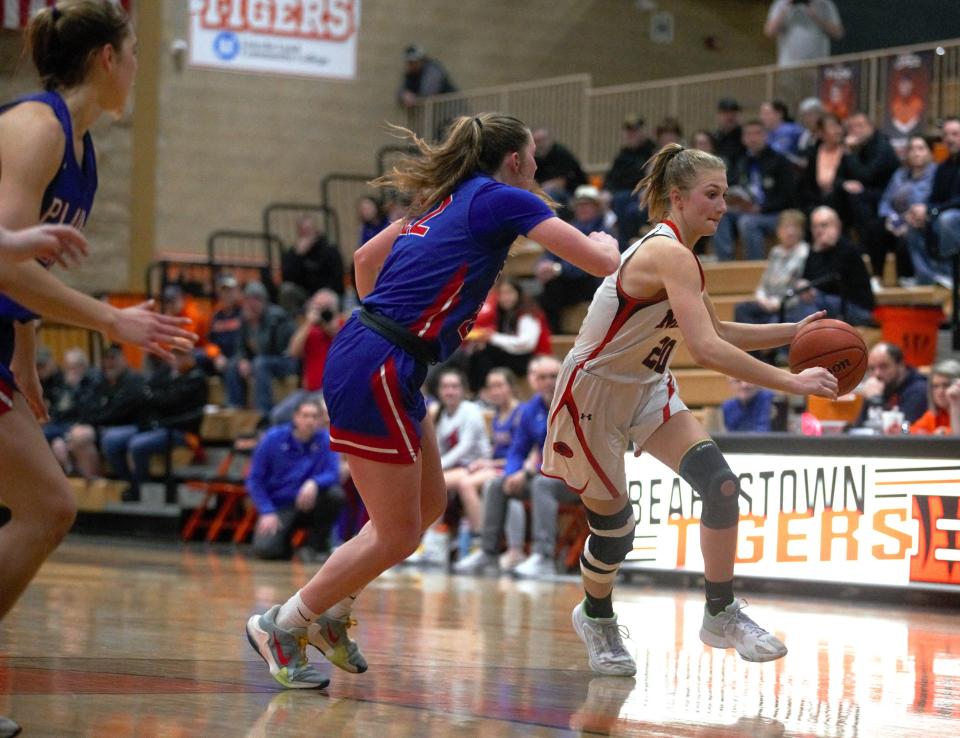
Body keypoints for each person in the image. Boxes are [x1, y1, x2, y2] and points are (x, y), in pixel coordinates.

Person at [245, 113, 619, 690]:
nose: (539, 168)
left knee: (425, 509)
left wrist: (385, 321)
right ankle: (283, 624)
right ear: (515, 161)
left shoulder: (444, 200)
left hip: (384, 354)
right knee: (396, 532)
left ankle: (334, 611)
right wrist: (606, 241)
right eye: (533, 158)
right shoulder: (500, 197)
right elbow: (600, 263)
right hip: (380, 359)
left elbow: (365, 262)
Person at [539, 143, 837, 676]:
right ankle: (596, 615)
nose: (721, 205)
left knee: (720, 485)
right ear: (677, 198)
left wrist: (798, 330)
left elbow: (719, 331)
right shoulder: (667, 252)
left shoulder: (684, 258)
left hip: (648, 385)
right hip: (593, 396)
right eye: (711, 194)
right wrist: (792, 382)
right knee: (616, 532)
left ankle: (720, 612)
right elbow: (706, 350)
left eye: (725, 195)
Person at [0, 5, 197, 734]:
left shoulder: (83, 151)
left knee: (46, 509)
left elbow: (24, 270)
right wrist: (112, 319)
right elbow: (3, 260)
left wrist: (26, 360)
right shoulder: (35, 126)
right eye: (137, 52)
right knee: (48, 508)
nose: (141, 66)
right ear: (107, 59)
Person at [453, 354, 578, 579]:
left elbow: (567, 450)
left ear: (564, 377)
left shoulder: (576, 405)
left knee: (541, 484)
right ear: (534, 381)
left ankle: (544, 557)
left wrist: (529, 471)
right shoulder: (530, 410)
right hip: (545, 474)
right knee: (495, 484)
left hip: (575, 478)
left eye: (554, 376)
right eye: (543, 377)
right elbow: (518, 450)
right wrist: (512, 473)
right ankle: (487, 551)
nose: (549, 381)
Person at [100, 347, 208, 503]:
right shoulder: (165, 372)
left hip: (179, 429)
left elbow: (171, 401)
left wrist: (154, 397)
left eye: (181, 355)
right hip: (153, 424)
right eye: (174, 355)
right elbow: (146, 392)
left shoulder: (196, 377)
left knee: (137, 444)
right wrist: (155, 398)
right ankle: (129, 482)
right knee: (111, 439)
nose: (176, 359)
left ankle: (144, 491)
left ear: (190, 356)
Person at [407, 366, 491, 565]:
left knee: (437, 483)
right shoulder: (441, 415)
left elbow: (465, 447)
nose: (450, 391)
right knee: (430, 482)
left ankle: (474, 543)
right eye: (445, 387)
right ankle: (434, 540)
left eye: (454, 386)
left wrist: (437, 468)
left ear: (463, 390)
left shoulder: (471, 411)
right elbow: (438, 449)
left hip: (477, 466)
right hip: (458, 469)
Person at [247, 396, 345, 562]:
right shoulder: (272, 438)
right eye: (305, 416)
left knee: (335, 495)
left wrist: (314, 482)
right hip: (280, 505)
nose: (310, 421)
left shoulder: (326, 440)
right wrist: (266, 510)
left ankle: (316, 546)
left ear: (320, 419)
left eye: (314, 416)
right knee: (266, 550)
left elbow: (333, 473)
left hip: (310, 503)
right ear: (295, 417)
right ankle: (284, 544)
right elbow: (255, 479)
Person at [714, 120, 797, 261]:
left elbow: (788, 196)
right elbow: (733, 186)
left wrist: (761, 208)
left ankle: (754, 267)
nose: (753, 138)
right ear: (743, 139)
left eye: (757, 134)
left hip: (774, 213)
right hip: (747, 209)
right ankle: (725, 263)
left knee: (748, 223)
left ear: (766, 136)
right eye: (748, 134)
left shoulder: (780, 161)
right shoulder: (742, 161)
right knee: (718, 214)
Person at [537, 184, 610, 332]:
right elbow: (551, 250)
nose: (583, 209)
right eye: (579, 205)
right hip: (570, 281)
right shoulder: (570, 227)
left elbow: (592, 262)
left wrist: (558, 269)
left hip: (592, 280)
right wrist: (544, 264)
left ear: (596, 207)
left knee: (554, 289)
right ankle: (554, 336)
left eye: (587, 205)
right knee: (546, 292)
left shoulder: (605, 231)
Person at [790, 206, 875, 326]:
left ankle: (808, 341)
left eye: (824, 225)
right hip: (825, 302)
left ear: (837, 226)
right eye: (815, 226)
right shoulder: (814, 250)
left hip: (856, 307)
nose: (819, 230)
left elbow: (834, 281)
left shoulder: (848, 248)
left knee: (812, 302)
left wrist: (810, 288)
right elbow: (808, 278)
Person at [270, 288, 343, 426]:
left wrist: (327, 322)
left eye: (326, 307)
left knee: (322, 418)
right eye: (318, 307)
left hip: (330, 392)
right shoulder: (309, 329)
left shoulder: (342, 324)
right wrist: (308, 323)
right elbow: (293, 352)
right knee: (278, 415)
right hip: (308, 392)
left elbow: (338, 336)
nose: (322, 311)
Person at [224, 281, 297, 417]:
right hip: (264, 359)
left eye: (256, 300)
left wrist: (254, 325)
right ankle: (235, 406)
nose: (252, 304)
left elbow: (272, 348)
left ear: (264, 301)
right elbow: (239, 346)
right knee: (233, 363)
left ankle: (264, 412)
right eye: (249, 300)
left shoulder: (277, 317)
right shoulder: (245, 318)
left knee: (260, 363)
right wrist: (242, 360)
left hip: (285, 361)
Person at [464, 277, 549, 392]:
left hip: (534, 358)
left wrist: (492, 338)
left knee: (484, 356)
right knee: (478, 353)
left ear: (518, 293)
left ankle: (482, 392)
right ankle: (479, 392)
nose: (505, 298)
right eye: (501, 294)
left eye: (509, 293)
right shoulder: (504, 314)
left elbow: (526, 344)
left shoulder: (527, 313)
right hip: (515, 356)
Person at [905, 117, 960, 288]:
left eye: (955, 134)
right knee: (914, 222)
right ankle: (926, 278)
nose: (949, 139)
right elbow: (934, 198)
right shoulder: (943, 167)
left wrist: (933, 211)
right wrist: (923, 211)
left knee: (947, 219)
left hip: (953, 217)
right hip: (944, 213)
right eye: (946, 135)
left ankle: (949, 275)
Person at [733, 209, 810, 325]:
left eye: (794, 227)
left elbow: (799, 289)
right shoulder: (775, 252)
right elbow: (764, 283)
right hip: (769, 302)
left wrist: (778, 303)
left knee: (774, 323)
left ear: (801, 231)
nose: (790, 232)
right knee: (741, 308)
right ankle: (749, 342)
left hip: (789, 305)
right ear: (778, 231)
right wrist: (762, 298)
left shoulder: (804, 252)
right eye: (786, 227)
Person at [877, 135, 935, 283]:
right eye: (912, 149)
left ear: (930, 152)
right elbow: (885, 201)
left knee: (909, 232)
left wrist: (905, 219)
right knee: (875, 228)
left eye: (921, 148)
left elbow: (930, 201)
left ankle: (914, 277)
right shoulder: (899, 175)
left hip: (920, 218)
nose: (916, 153)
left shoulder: (936, 174)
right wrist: (891, 217)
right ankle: (878, 277)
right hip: (896, 220)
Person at [603, 115, 655, 249]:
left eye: (635, 131)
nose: (631, 135)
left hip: (642, 196)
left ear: (643, 131)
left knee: (625, 204)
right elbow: (611, 179)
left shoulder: (652, 152)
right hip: (621, 196)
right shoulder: (622, 155)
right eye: (629, 131)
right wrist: (606, 192)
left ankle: (624, 246)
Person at [855, 342, 928, 428]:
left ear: (900, 365)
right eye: (872, 368)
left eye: (884, 366)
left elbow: (901, 430)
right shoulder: (878, 387)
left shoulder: (919, 389)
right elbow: (860, 427)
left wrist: (876, 400)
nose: (877, 374)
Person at [764, 0, 844, 67]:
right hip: (789, 67)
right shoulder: (780, 4)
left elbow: (838, 33)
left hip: (818, 66)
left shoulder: (825, 4)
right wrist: (784, 11)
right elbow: (769, 32)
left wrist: (816, 17)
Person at [281, 215, 345, 298]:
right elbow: (287, 278)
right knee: (287, 290)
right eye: (303, 230)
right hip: (304, 294)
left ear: (315, 230)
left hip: (327, 292)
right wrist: (297, 256)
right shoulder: (294, 252)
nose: (306, 233)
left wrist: (324, 293)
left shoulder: (329, 249)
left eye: (308, 229)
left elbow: (337, 278)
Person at [532, 126, 588, 207]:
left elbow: (561, 182)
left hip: (571, 192)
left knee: (549, 196)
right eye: (536, 141)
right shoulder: (535, 156)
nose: (539, 145)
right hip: (544, 190)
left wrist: (540, 189)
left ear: (549, 140)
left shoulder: (561, 154)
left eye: (541, 140)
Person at [396, 44, 457, 109]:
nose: (410, 65)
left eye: (413, 62)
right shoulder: (411, 74)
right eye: (408, 63)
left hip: (451, 109)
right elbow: (401, 91)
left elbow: (429, 93)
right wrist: (404, 95)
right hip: (437, 113)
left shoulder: (432, 70)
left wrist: (414, 99)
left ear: (421, 60)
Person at [909, 359, 960, 435]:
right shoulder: (933, 414)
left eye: (946, 385)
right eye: (935, 386)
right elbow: (911, 432)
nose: (940, 391)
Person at [713, 98, 745, 171]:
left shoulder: (745, 137)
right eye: (725, 113)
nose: (730, 116)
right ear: (718, 115)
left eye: (733, 113)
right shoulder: (715, 138)